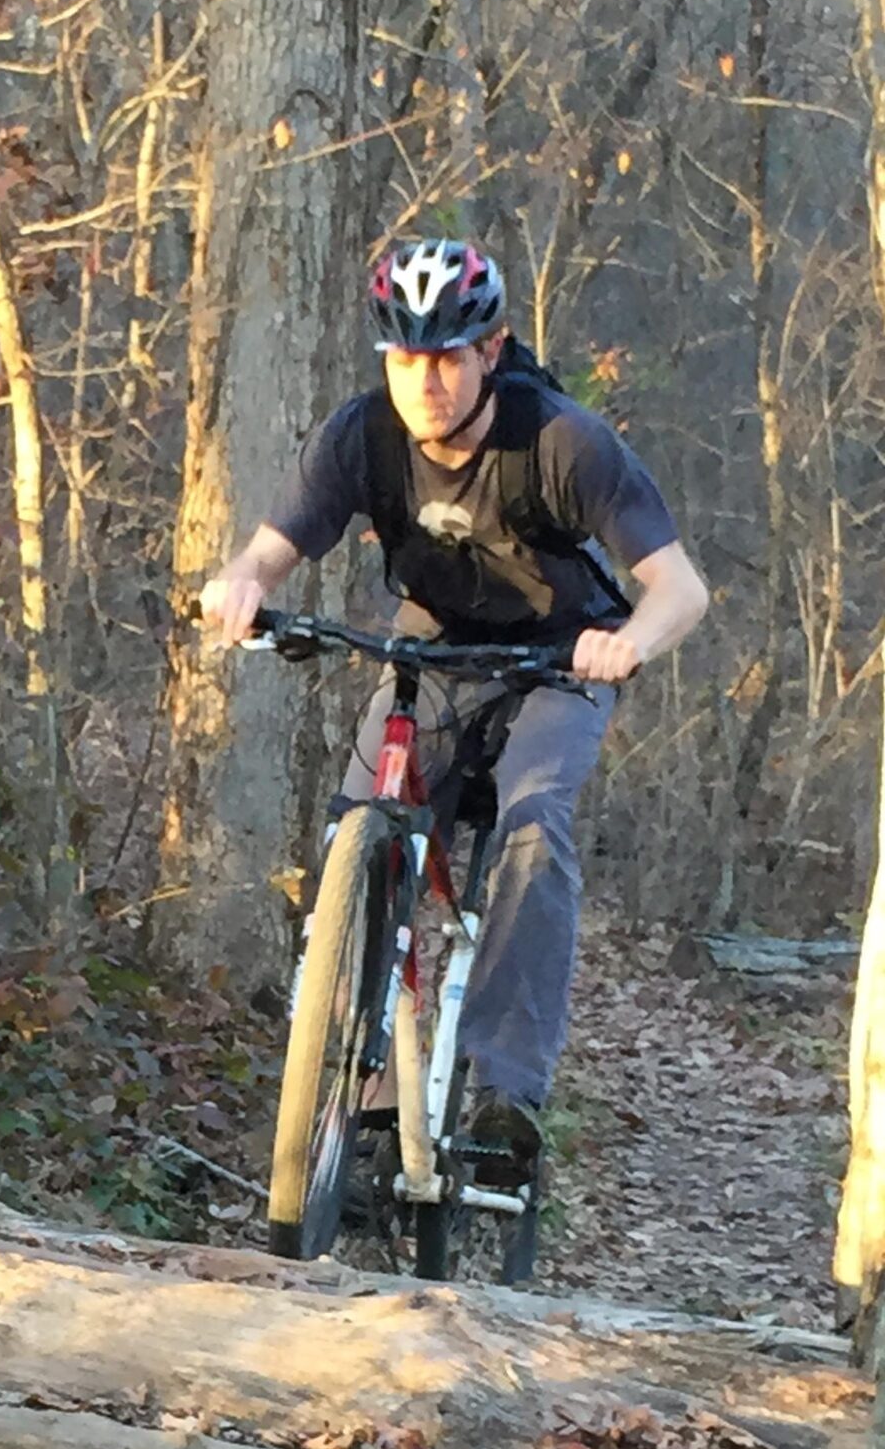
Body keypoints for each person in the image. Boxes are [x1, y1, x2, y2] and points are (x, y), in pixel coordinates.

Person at [199, 236, 709, 1182]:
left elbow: (681, 588)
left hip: (558, 661)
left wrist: (629, 643)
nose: (424, 382)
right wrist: (241, 583)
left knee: (532, 823)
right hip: (432, 652)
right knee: (359, 830)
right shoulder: (363, 437)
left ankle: (505, 1090)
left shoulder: (560, 441)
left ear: (491, 350)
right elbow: (273, 547)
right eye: (405, 358)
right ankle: (367, 1092)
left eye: (445, 358)